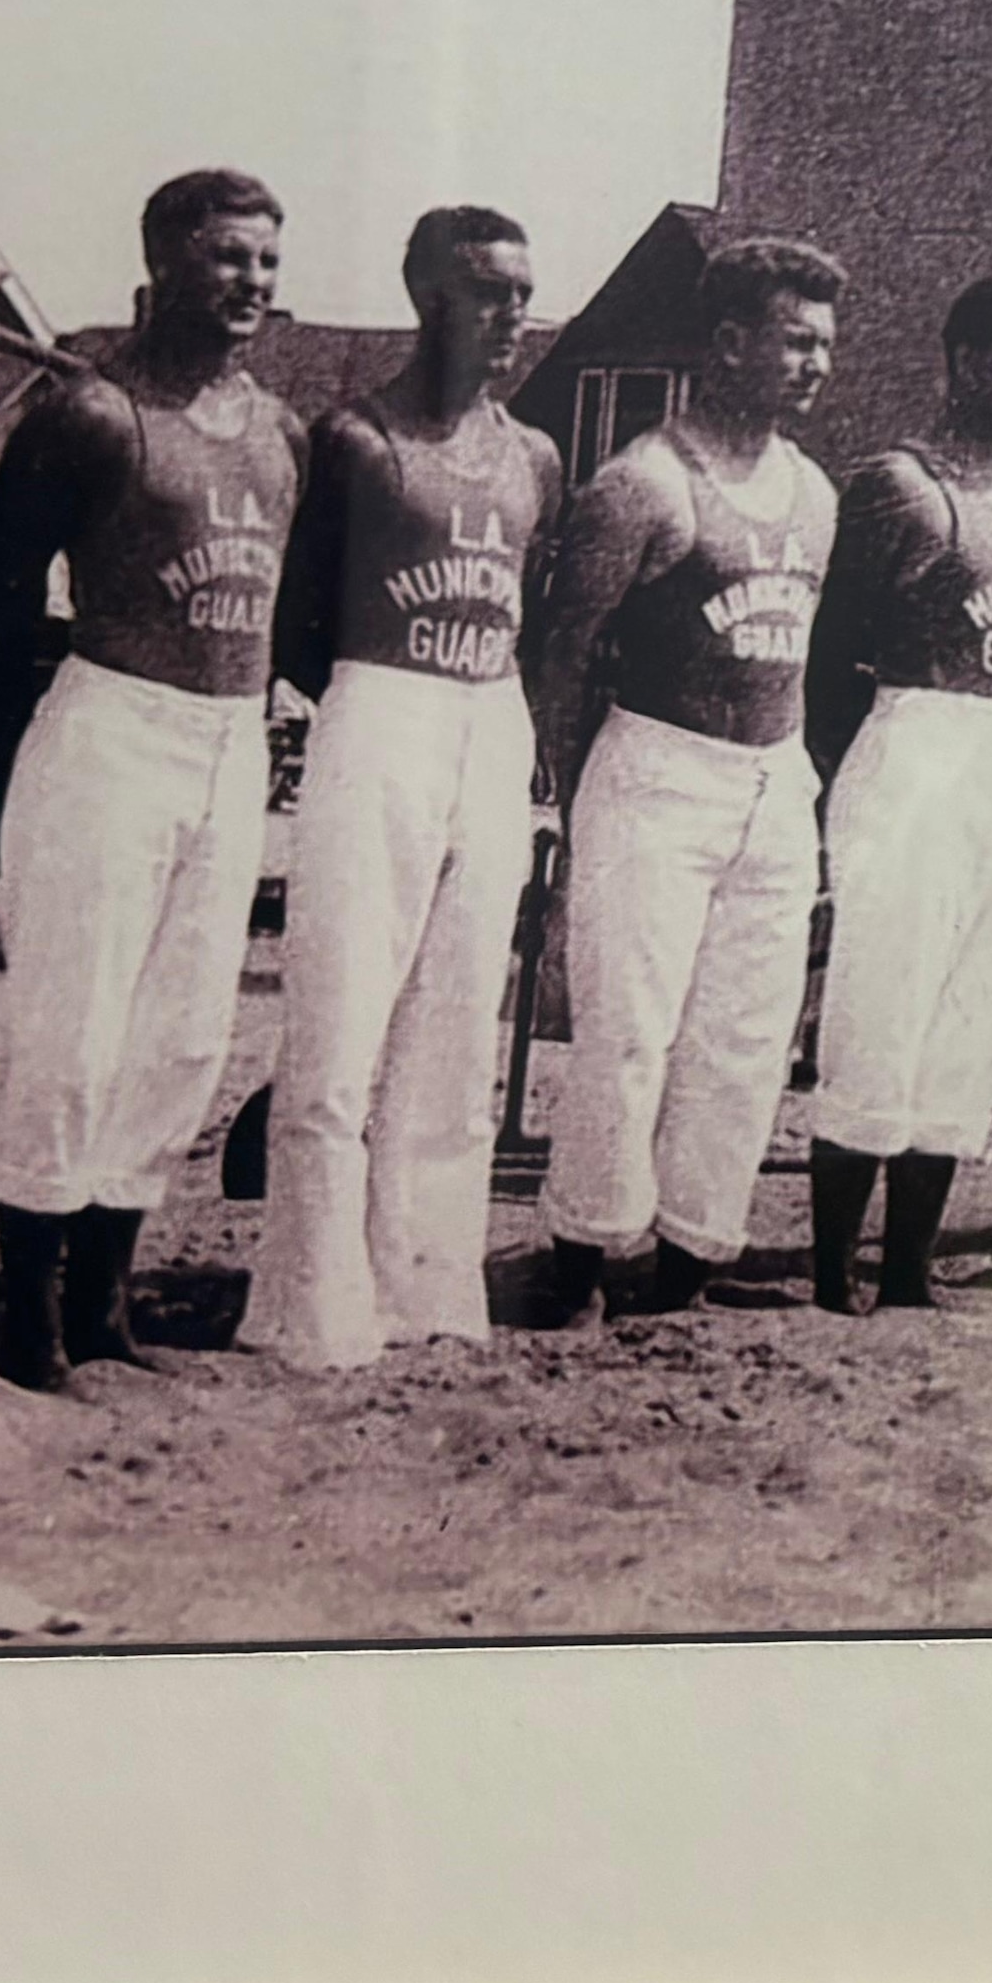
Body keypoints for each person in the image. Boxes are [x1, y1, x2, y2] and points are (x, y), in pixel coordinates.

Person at [0, 166, 307, 1390]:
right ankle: (28, 1319)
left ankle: (106, 1306)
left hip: (230, 741)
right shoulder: (93, 413)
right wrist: (21, 729)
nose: (250, 281)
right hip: (111, 726)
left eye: (265, 259)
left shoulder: (279, 430)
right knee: (74, 1030)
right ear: (160, 267)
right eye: (226, 257)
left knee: (184, 1037)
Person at [242, 201, 560, 1370]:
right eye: (485, 293)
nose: (508, 315)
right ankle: (312, 1303)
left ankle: (427, 1285)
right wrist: (372, 698)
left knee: (458, 1020)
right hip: (379, 708)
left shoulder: (534, 455)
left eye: (521, 295)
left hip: (489, 717)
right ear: (427, 297)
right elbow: (296, 618)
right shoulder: (354, 440)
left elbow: (533, 603)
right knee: (341, 1017)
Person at [519, 234, 844, 1320]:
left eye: (825, 345)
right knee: (626, 1030)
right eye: (795, 342)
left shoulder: (815, 493)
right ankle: (584, 1248)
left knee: (746, 1034)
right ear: (730, 342)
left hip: (773, 778)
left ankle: (689, 1253)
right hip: (656, 771)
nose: (816, 364)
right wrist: (564, 798)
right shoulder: (642, 485)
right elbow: (563, 651)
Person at [796, 271, 992, 1315]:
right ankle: (833, 1267)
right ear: (963, 364)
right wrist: (846, 780)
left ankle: (907, 1267)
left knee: (976, 1012)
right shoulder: (899, 485)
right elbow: (827, 654)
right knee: (883, 1002)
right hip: (916, 744)